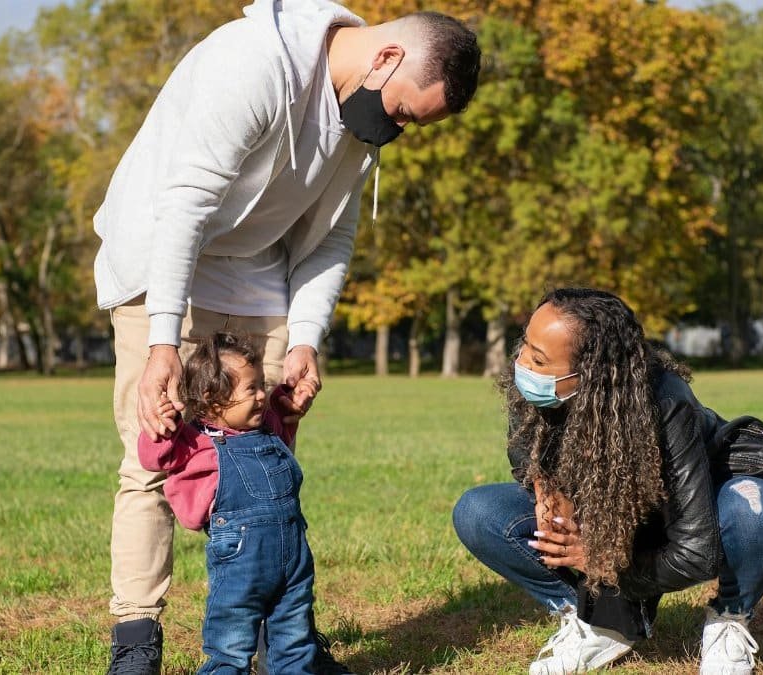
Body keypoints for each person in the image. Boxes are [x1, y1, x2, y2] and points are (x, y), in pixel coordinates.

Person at [92, 1, 481, 672]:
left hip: (255, 276)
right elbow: (184, 204)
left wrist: (305, 336)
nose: (396, 131)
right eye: (404, 114)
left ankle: (281, 635)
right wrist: (164, 340)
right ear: (386, 58)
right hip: (164, 261)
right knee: (150, 457)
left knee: (266, 462)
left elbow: (332, 234)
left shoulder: (361, 122)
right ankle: (137, 640)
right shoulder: (255, 64)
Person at [452, 288, 763, 675]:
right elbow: (524, 459)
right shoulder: (536, 395)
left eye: (539, 358)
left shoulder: (666, 404)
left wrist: (602, 562)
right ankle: (600, 622)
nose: (522, 364)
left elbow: (697, 553)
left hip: (692, 515)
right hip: (611, 528)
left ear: (592, 373)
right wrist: (547, 490)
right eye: (526, 346)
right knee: (478, 512)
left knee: (760, 511)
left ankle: (728, 619)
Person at [139, 332, 319, 673]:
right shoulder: (195, 442)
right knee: (231, 647)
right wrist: (164, 425)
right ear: (213, 398)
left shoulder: (265, 429)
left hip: (294, 563)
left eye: (262, 385)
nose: (262, 395)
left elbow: (281, 417)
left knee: (295, 641)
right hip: (240, 568)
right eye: (251, 389)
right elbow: (154, 458)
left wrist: (284, 398)